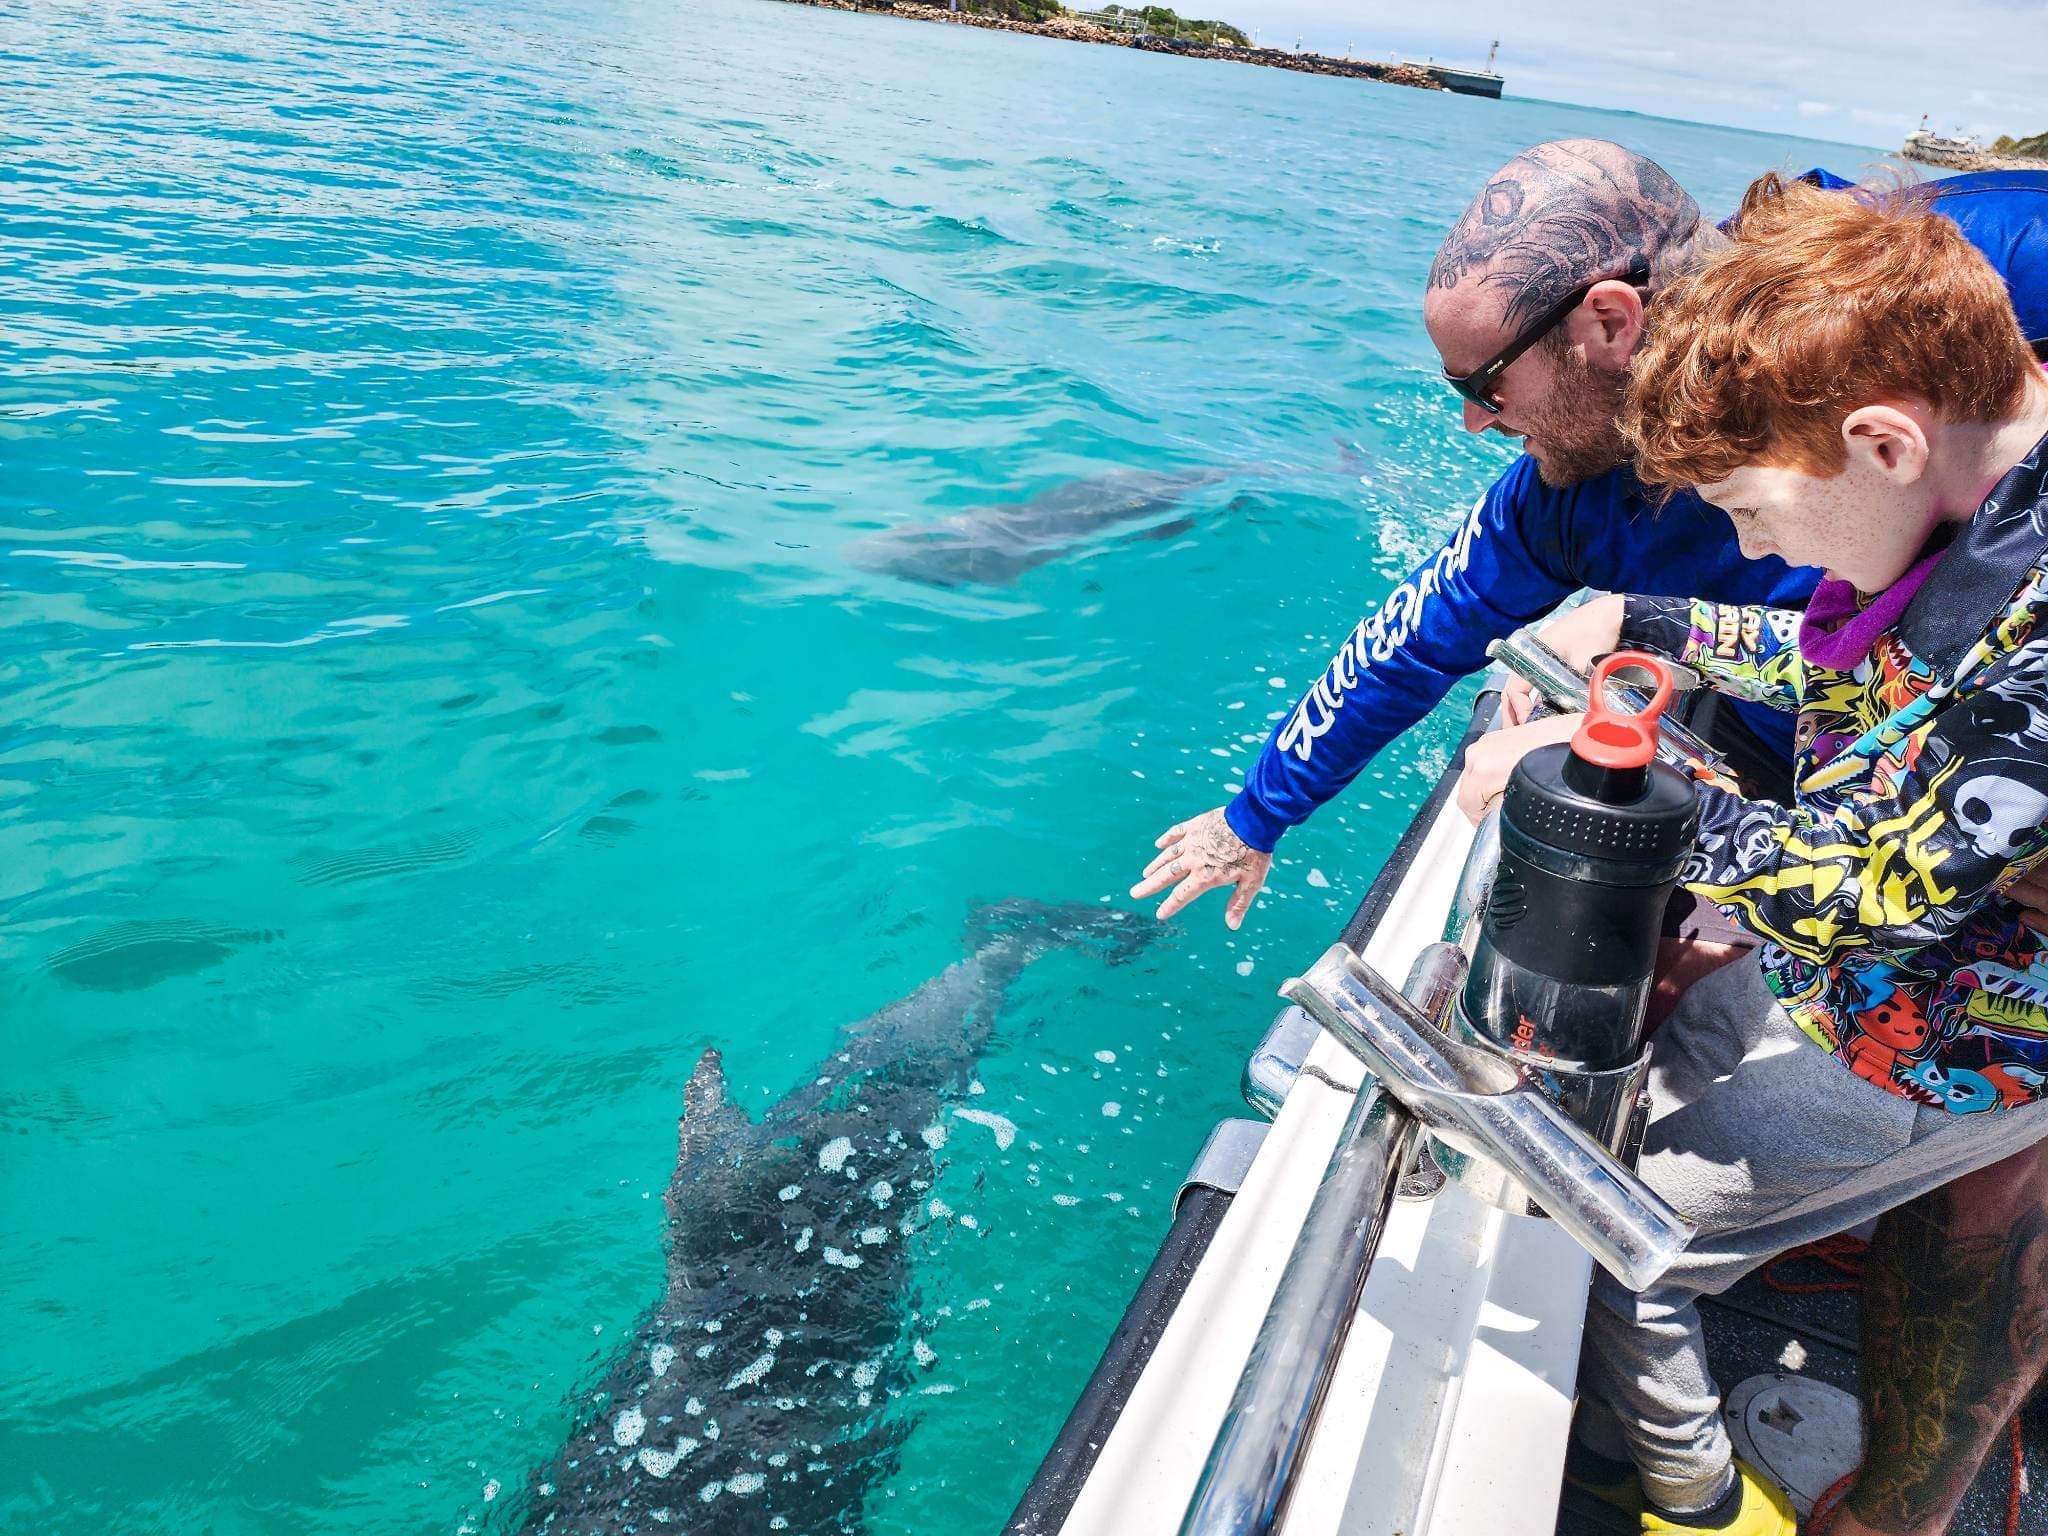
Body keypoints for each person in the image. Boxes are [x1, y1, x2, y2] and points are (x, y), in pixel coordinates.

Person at [1454, 174, 2048, 1536]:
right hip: (1840, 995)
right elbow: (1863, 664)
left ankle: (1686, 1487)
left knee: (1607, 1224)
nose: (1746, 546)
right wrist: (1652, 623)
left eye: (1746, 509)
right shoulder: (1982, 506)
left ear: (1884, 444)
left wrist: (1621, 778)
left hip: (1932, 1054)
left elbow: (1876, 892)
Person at [1130, 143, 2048, 931]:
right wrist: (1253, 818)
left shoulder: (1956, 265)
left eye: (1485, 387)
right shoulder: (1566, 496)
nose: (1474, 424)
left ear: (1609, 323)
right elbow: (1405, 647)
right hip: (1822, 755)